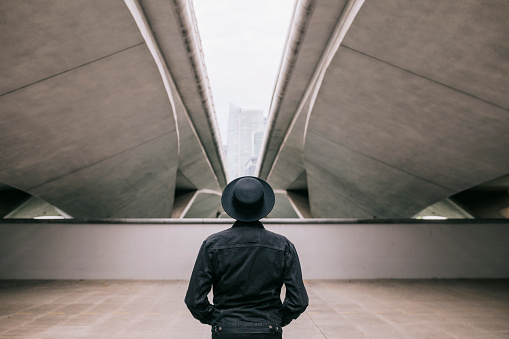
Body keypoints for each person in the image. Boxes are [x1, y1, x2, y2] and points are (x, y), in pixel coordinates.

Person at [185, 176, 308, 338]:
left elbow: (194, 300)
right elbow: (299, 300)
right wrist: (275, 320)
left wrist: (219, 319)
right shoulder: (283, 246)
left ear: (233, 205)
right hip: (268, 330)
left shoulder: (212, 244)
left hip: (225, 331)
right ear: (263, 207)